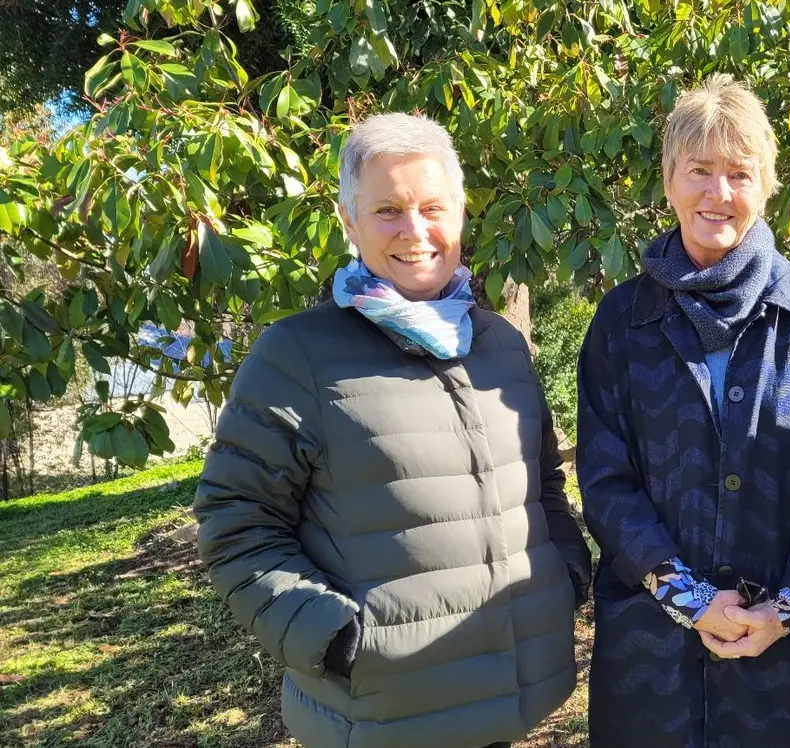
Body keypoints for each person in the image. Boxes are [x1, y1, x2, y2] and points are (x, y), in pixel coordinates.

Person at [193, 112, 591, 748]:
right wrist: (333, 635)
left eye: (433, 207)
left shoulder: (501, 346)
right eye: (388, 210)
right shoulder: (297, 354)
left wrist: (564, 574)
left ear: (461, 214)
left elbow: (541, 483)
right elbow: (235, 524)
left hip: (514, 695)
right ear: (349, 222)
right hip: (387, 715)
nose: (415, 230)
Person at [577, 74, 790, 748]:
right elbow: (605, 478)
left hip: (782, 656)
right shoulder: (622, 321)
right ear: (669, 180)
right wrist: (690, 599)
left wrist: (786, 609)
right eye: (699, 170)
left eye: (739, 172)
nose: (718, 192)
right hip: (650, 654)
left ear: (767, 184)